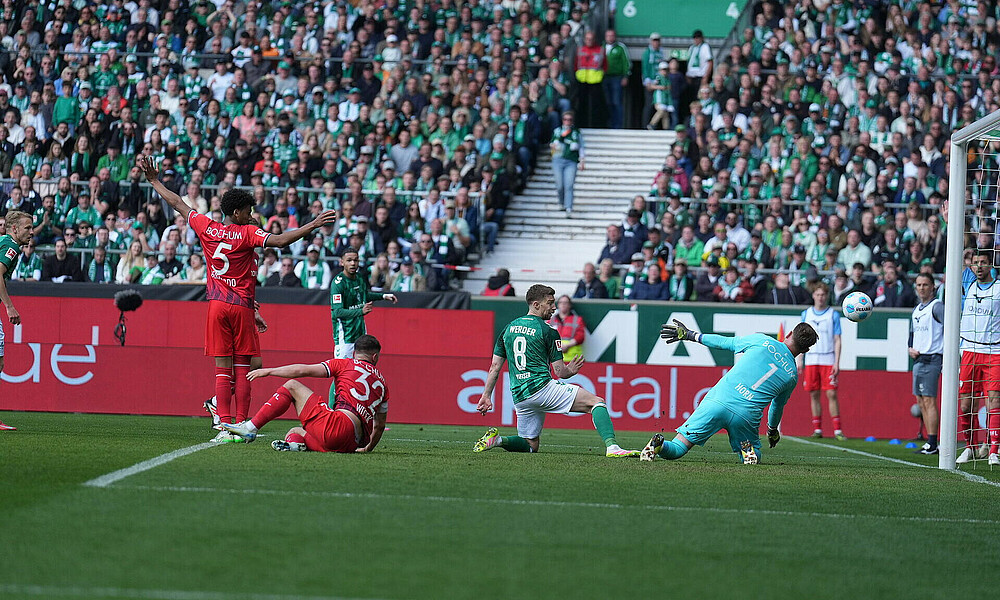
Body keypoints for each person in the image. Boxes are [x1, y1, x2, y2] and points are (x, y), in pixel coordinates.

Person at [138, 155, 337, 441]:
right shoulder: (246, 234)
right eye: (247, 210)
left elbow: (178, 204)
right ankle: (241, 425)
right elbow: (279, 242)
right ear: (236, 213)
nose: (250, 214)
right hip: (240, 306)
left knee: (222, 370)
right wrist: (312, 224)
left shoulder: (206, 226)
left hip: (217, 306)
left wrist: (155, 181)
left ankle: (223, 426)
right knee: (243, 368)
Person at [473, 284, 639, 457]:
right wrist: (571, 370)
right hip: (542, 389)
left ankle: (498, 440)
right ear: (536, 304)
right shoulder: (548, 330)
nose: (554, 307)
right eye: (550, 303)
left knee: (530, 445)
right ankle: (613, 448)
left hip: (520, 396)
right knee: (596, 402)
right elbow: (560, 372)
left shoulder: (508, 328)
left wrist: (486, 396)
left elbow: (495, 367)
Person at [641, 320, 818, 464]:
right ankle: (747, 450)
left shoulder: (762, 341)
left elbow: (725, 342)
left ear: (788, 334)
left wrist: (691, 335)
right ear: (805, 350)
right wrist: (772, 430)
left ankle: (660, 444)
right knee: (753, 454)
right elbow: (776, 407)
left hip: (717, 401)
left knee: (678, 448)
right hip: (746, 415)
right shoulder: (792, 376)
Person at [224, 334, 387, 453]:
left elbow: (301, 370)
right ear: (375, 357)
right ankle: (295, 446)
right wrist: (367, 449)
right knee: (295, 432)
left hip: (339, 426)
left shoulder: (345, 363)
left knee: (292, 386)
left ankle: (250, 427)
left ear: (354, 353)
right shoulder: (384, 385)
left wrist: (268, 371)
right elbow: (379, 426)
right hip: (352, 443)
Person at [957, 250, 1000, 465]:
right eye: (975, 263)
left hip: (994, 351)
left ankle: (993, 450)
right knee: (965, 405)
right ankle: (970, 447)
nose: (979, 266)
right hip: (970, 351)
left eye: (983, 262)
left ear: (991, 265)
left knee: (994, 400)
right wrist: (950, 221)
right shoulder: (968, 281)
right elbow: (957, 253)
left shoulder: (999, 289)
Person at [330, 248, 398, 359]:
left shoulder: (360, 278)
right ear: (342, 262)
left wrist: (384, 296)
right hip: (345, 337)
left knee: (361, 370)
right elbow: (337, 312)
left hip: (361, 335)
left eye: (356, 260)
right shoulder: (338, 283)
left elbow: (364, 295)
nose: (353, 263)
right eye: (349, 260)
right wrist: (361, 311)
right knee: (342, 372)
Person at [800, 284, 846, 440]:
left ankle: (837, 430)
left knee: (831, 393)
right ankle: (817, 429)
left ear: (827, 296)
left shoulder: (833, 315)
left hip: (828, 357)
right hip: (812, 358)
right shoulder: (806, 314)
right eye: (817, 294)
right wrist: (800, 359)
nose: (820, 298)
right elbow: (800, 339)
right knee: (814, 394)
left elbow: (837, 339)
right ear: (813, 295)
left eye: (823, 295)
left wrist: (837, 362)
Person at [0, 210, 32, 431]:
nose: (32, 232)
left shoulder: (4, 241)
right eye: (27, 228)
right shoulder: (10, 247)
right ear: (14, 229)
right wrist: (9, 306)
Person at [909, 273, 944, 455]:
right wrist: (910, 348)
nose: (921, 288)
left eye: (925, 285)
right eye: (919, 285)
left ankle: (933, 442)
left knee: (929, 401)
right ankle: (929, 442)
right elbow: (912, 334)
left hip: (932, 358)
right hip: (918, 359)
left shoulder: (937, 307)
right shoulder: (917, 309)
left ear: (933, 287)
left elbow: (950, 328)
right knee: (921, 401)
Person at [550, 111, 584, 216]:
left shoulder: (576, 132)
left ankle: (569, 207)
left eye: (569, 120)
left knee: (569, 185)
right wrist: (553, 148)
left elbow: (582, 147)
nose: (567, 122)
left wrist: (582, 160)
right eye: (565, 119)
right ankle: (561, 202)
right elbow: (551, 143)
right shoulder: (557, 131)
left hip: (571, 161)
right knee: (560, 185)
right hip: (558, 160)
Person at [548, 295, 586, 361]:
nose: (563, 305)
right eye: (561, 302)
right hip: (555, 360)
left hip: (573, 359)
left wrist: (567, 346)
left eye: (565, 303)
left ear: (569, 305)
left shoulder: (577, 320)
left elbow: (580, 337)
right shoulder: (551, 321)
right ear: (558, 305)